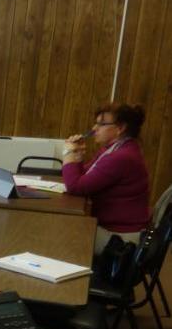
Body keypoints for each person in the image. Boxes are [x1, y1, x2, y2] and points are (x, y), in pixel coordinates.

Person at [63, 103, 149, 254]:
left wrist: (68, 153)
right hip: (111, 228)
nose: (94, 128)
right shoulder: (113, 150)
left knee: (63, 233)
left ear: (120, 128)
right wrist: (77, 154)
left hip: (121, 239)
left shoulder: (120, 157)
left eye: (101, 124)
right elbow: (83, 177)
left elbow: (75, 187)